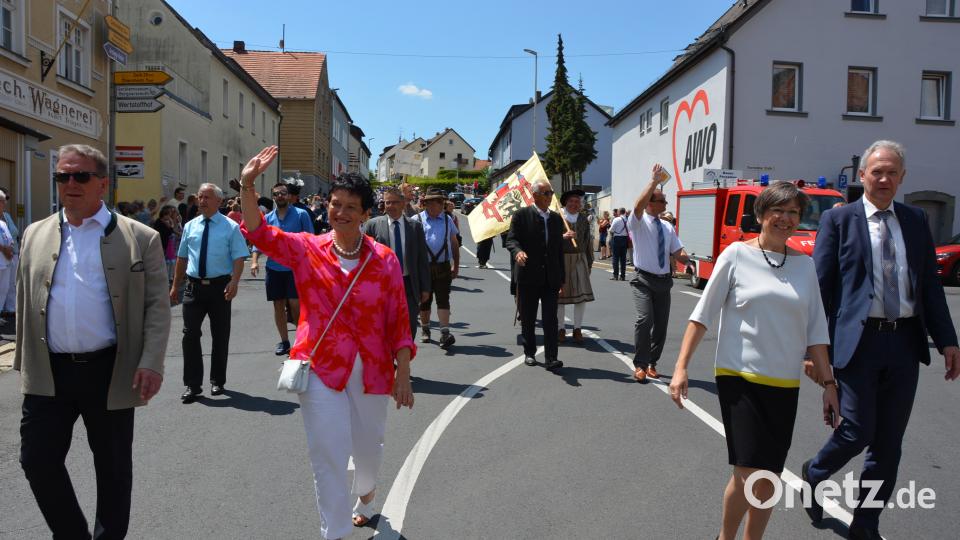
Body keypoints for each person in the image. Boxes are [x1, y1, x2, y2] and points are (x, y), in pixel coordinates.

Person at [238, 146, 414, 539]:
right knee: (328, 455)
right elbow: (259, 232)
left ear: (367, 214)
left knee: (369, 449)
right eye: (336, 204)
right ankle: (334, 533)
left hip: (371, 369)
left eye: (352, 206)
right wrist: (248, 184)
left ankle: (366, 489)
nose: (342, 212)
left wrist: (404, 372)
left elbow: (398, 320)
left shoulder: (384, 260)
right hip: (320, 367)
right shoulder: (306, 248)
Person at [801, 141, 959, 540]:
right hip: (857, 343)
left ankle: (866, 523)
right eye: (877, 171)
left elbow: (929, 286)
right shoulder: (839, 222)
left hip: (905, 342)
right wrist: (814, 352)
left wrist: (947, 340)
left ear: (902, 177)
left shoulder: (916, 219)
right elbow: (821, 290)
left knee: (889, 444)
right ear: (862, 175)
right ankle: (815, 471)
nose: (884, 179)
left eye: (892, 172)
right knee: (857, 430)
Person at [16, 143, 170, 539]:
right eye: (62, 176)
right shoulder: (35, 234)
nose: (70, 183)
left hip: (110, 369)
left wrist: (151, 361)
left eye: (80, 176)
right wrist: (24, 361)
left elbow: (157, 306)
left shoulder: (140, 237)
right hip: (50, 370)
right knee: (37, 460)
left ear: (102, 183)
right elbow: (23, 297)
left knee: (113, 467)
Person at [669, 181, 838, 540]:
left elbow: (817, 332)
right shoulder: (736, 255)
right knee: (748, 472)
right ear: (761, 214)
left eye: (794, 212)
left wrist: (829, 384)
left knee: (769, 478)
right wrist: (681, 367)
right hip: (739, 378)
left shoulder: (805, 266)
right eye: (779, 210)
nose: (786, 218)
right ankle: (727, 537)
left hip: (783, 383)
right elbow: (702, 315)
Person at [170, 183, 249, 403]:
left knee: (220, 335)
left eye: (207, 197)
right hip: (193, 287)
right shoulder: (190, 226)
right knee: (190, 334)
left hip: (219, 287)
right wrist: (176, 285)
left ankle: (217, 380)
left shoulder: (230, 227)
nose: (202, 201)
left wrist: (234, 281)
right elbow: (182, 257)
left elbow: (239, 257)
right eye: (200, 196)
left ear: (219, 202)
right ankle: (193, 385)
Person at [628, 165, 689, 382]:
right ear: (651, 203)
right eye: (663, 201)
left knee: (661, 325)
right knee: (645, 320)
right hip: (643, 279)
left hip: (664, 282)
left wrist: (688, 259)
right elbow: (637, 205)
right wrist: (653, 181)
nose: (666, 204)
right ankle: (640, 365)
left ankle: (652, 362)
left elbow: (677, 250)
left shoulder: (667, 226)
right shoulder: (638, 222)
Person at [251, 182, 319, 355]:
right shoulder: (267, 219)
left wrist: (312, 264)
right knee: (278, 305)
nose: (280, 196)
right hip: (274, 268)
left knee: (296, 305)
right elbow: (259, 242)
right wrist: (254, 261)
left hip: (295, 268)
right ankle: (284, 341)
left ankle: (300, 340)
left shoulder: (301, 214)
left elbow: (310, 239)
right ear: (273, 197)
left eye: (283, 193)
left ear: (288, 196)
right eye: (276, 194)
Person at [506, 180, 566, 371]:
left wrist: (561, 278)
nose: (551, 196)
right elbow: (512, 240)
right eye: (547, 193)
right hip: (528, 276)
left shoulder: (556, 219)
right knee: (529, 317)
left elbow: (558, 251)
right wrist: (518, 252)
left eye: (551, 192)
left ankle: (551, 358)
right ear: (535, 195)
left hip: (550, 278)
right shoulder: (521, 215)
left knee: (550, 319)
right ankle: (529, 352)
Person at [363, 186, 431, 339]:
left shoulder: (415, 227)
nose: (390, 206)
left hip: (408, 284)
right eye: (387, 203)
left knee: (409, 324)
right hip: (382, 285)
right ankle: (388, 359)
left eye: (394, 202)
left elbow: (422, 259)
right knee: (384, 325)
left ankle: (404, 359)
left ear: (402, 204)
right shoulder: (372, 226)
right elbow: (364, 258)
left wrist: (425, 287)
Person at [416, 188, 460, 349]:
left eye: (438, 202)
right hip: (423, 268)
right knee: (424, 301)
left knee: (443, 299)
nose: (435, 205)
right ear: (426, 204)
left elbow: (454, 244)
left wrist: (456, 265)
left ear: (442, 204)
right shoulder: (416, 220)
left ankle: (445, 333)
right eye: (431, 202)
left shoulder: (449, 220)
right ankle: (425, 329)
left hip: (443, 267)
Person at [556, 189, 594, 344]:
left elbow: (587, 242)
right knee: (560, 297)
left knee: (581, 296)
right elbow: (549, 239)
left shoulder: (584, 219)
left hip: (579, 259)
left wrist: (589, 262)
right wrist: (562, 237)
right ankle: (561, 328)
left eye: (577, 201)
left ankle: (577, 328)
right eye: (571, 201)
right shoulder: (557, 217)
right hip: (561, 259)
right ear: (565, 202)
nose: (574, 204)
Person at [0, 186, 19, 318]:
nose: (5, 203)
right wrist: (4, 249)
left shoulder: (5, 219)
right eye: (3, 200)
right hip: (3, 257)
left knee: (7, 286)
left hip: (9, 257)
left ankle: (7, 309)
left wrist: (10, 249)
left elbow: (12, 236)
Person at [153, 205, 183, 284]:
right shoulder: (160, 222)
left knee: (167, 261)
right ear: (165, 215)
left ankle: (164, 277)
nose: (170, 216)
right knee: (163, 261)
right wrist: (172, 224)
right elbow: (169, 231)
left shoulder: (162, 221)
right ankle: (161, 277)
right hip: (161, 243)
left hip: (164, 243)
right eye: (168, 214)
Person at [609, 207, 630, 280]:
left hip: (617, 239)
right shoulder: (628, 219)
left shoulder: (616, 219)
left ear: (619, 212)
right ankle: (623, 276)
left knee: (615, 257)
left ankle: (615, 275)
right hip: (625, 239)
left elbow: (611, 230)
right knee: (623, 258)